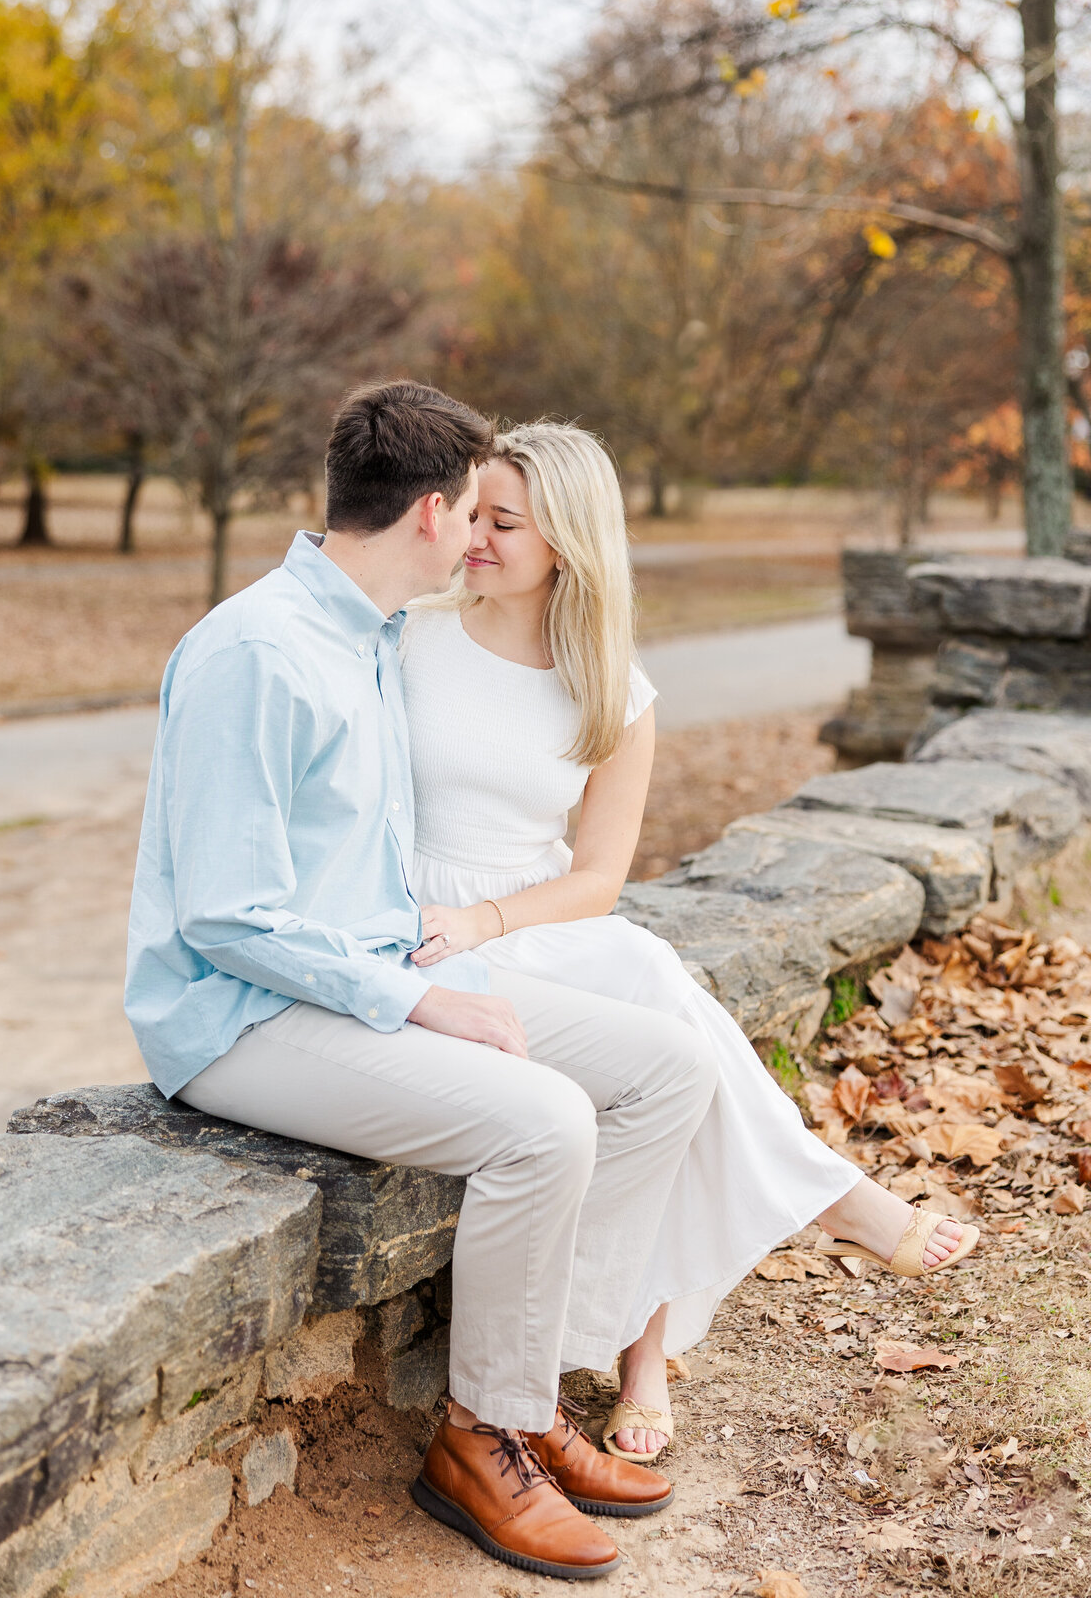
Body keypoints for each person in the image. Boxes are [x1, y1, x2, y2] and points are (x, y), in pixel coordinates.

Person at [124, 381, 723, 1582]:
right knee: (545, 1119)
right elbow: (228, 919)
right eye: (481, 512)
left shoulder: (376, 636)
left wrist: (431, 960)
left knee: (671, 1068)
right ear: (437, 514)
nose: (486, 538)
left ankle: (532, 1385)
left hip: (362, 974)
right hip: (240, 1018)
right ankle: (476, 1439)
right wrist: (417, 998)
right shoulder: (259, 652)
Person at [400, 419, 979, 1464]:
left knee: (653, 1001)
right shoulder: (409, 634)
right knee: (665, 1006)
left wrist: (490, 918)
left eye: (502, 520)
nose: (470, 535)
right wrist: (455, 925)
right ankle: (798, 1226)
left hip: (522, 925)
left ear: (567, 540)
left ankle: (664, 1335)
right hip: (422, 933)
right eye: (470, 511)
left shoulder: (614, 686)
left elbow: (598, 880)